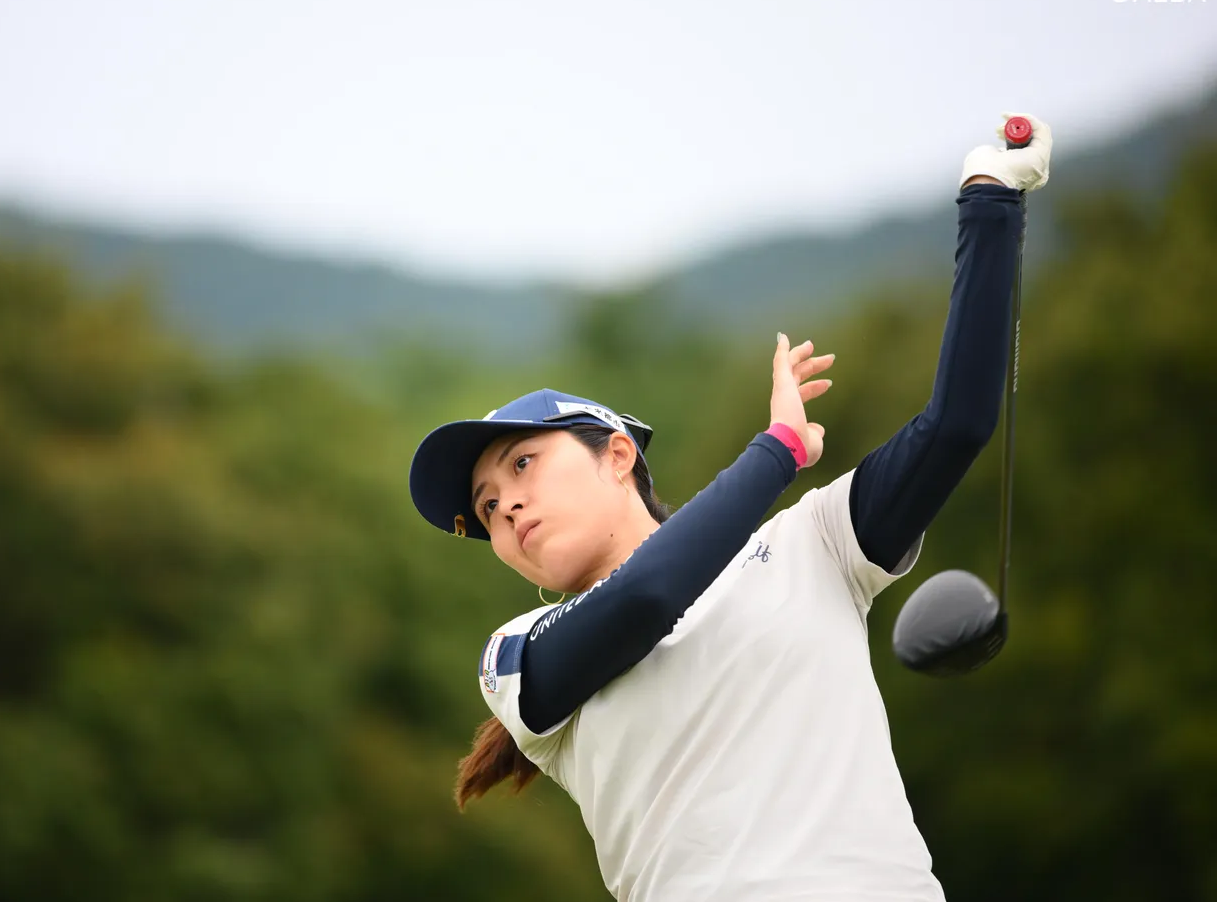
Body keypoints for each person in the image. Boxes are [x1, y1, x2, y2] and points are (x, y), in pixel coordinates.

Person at [407, 114, 1053, 901]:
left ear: (618, 455)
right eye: (485, 505)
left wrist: (990, 203)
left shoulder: (817, 541)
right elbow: (647, 596)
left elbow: (955, 426)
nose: (506, 503)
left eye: (522, 463)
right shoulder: (514, 654)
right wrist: (778, 447)